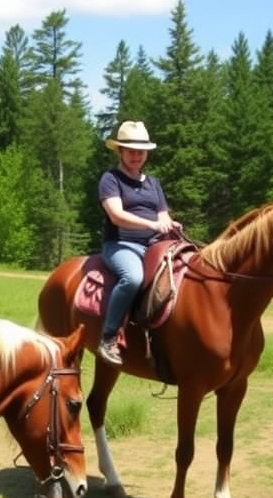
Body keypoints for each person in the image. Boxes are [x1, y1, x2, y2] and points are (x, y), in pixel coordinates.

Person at [97, 121, 180, 366]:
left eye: (141, 151)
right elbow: (116, 215)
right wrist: (151, 225)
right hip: (121, 244)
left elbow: (162, 214)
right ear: (119, 151)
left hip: (155, 245)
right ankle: (108, 336)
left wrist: (169, 224)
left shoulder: (153, 183)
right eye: (131, 151)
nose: (136, 156)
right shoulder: (111, 179)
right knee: (132, 278)